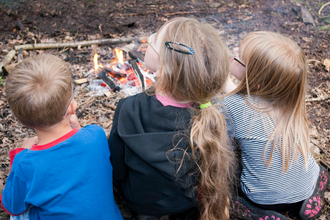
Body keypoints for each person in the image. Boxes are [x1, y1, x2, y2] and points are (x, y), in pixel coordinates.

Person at [108, 17, 236, 220]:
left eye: (156, 37)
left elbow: (117, 168)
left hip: (140, 202)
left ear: (163, 71)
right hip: (188, 202)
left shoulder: (129, 109)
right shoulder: (216, 115)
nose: (150, 38)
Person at [1, 54, 123, 220]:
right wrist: (77, 129)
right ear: (72, 106)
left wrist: (20, 154)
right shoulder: (96, 135)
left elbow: (12, 207)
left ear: (22, 120)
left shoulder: (25, 163)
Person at [223, 31, 329, 220]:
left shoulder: (231, 107)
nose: (234, 50)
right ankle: (309, 198)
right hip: (307, 185)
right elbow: (248, 105)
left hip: (264, 198)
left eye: (239, 56)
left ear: (255, 81)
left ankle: (258, 213)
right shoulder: (291, 100)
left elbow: (225, 144)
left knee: (225, 182)